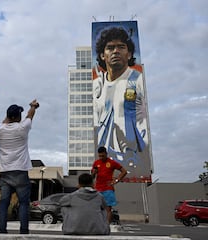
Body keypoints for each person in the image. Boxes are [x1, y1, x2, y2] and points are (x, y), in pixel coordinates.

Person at [93, 26, 149, 172]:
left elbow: (142, 122)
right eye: (110, 48)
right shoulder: (96, 86)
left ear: (129, 54)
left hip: (132, 160)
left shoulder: (137, 81)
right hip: (105, 160)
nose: (116, 51)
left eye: (121, 47)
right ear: (102, 55)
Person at [0, 99, 39, 234]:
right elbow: (30, 115)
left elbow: (6, 121)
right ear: (16, 117)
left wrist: (10, 115)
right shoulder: (22, 128)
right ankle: (24, 231)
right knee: (23, 203)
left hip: (5, 172)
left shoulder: (0, 129)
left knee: (4, 202)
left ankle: (2, 231)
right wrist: (33, 106)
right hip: (20, 171)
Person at [91, 146, 127, 223]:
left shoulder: (112, 162)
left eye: (103, 156)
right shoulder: (96, 163)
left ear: (106, 154)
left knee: (108, 208)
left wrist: (117, 180)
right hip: (98, 188)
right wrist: (94, 173)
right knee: (96, 208)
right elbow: (92, 177)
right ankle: (97, 224)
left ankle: (107, 226)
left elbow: (124, 171)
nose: (101, 157)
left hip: (108, 189)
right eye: (100, 156)